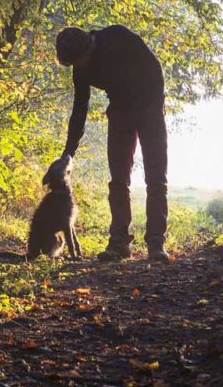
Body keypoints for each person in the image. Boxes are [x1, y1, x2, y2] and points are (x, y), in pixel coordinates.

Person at [54, 25, 171, 262]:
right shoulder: (80, 68)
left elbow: (154, 67)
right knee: (118, 179)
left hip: (149, 107)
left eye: (81, 60)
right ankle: (119, 243)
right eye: (75, 64)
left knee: (155, 176)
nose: (80, 66)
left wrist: (155, 107)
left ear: (89, 45)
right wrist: (69, 152)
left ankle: (156, 243)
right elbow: (80, 109)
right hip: (119, 112)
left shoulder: (119, 37)